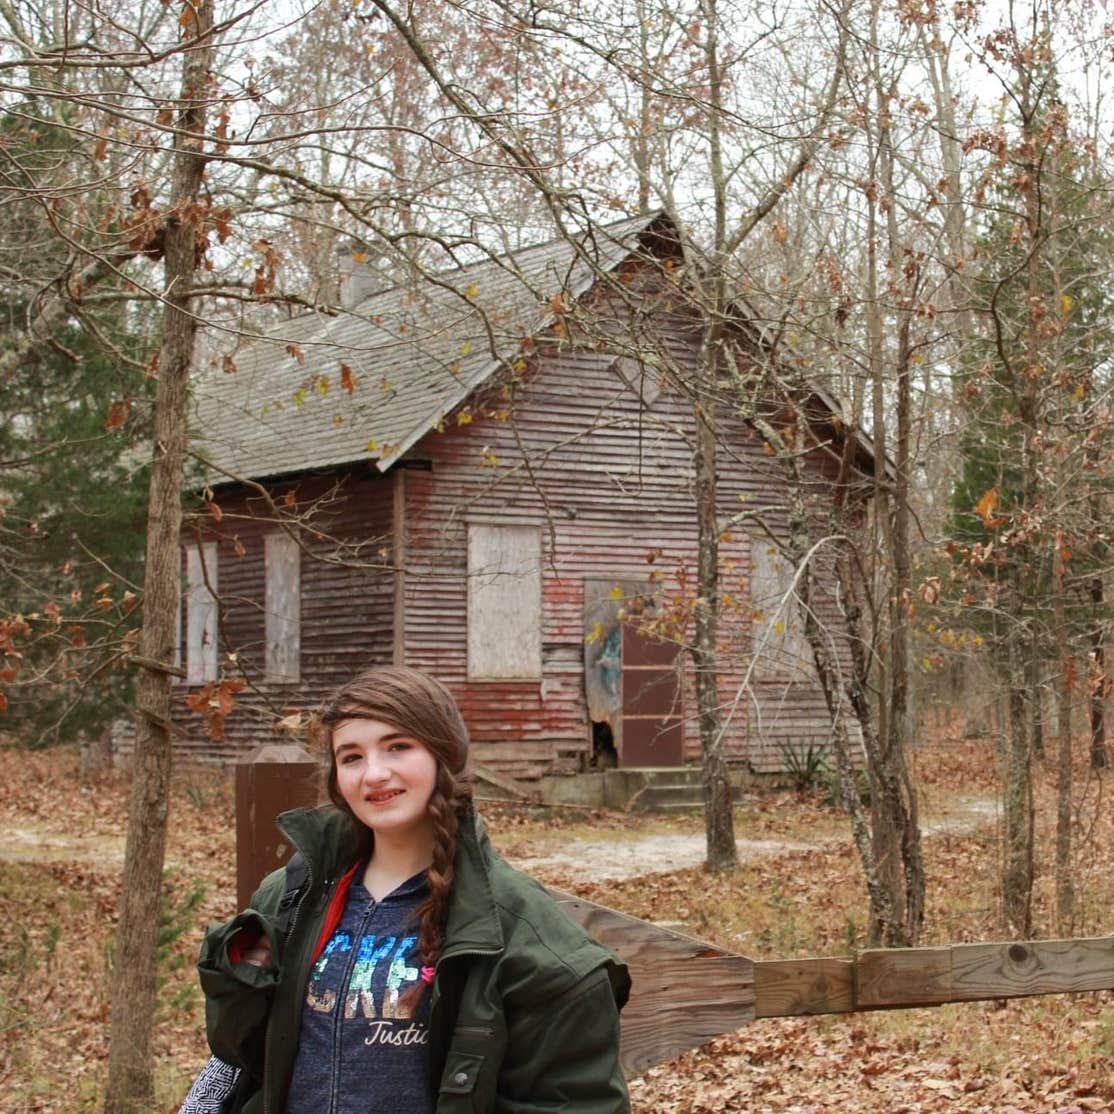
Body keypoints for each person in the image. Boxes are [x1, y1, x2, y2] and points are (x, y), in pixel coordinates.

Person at [193, 665, 631, 1114]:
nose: (374, 774)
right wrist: (239, 978)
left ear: (443, 756)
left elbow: (575, 1100)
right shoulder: (291, 896)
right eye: (351, 757)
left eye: (397, 747)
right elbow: (238, 1058)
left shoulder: (527, 940)